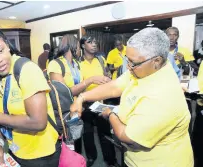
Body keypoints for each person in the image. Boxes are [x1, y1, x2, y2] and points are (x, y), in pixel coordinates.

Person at [71, 27, 194, 167]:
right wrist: (82, 97)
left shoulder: (163, 95)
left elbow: (127, 136)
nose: (128, 67)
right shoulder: (144, 69)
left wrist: (110, 114)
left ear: (157, 61)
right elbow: (115, 86)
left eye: (133, 63)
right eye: (127, 60)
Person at [0, 25, 60, 167]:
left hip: (40, 155)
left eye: (0, 50)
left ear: (7, 45)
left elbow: (38, 122)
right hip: (15, 150)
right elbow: (8, 115)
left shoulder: (26, 70)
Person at [47, 34, 110, 153]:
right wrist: (90, 80)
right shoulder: (56, 64)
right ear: (72, 45)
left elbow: (80, 86)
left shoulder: (75, 64)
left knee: (77, 145)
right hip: (65, 114)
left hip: (77, 111)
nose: (78, 49)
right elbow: (64, 93)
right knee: (67, 147)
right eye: (77, 45)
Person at [79, 35, 115, 167]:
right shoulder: (77, 63)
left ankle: (110, 160)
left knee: (104, 132)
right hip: (85, 102)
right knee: (87, 133)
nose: (94, 44)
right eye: (90, 42)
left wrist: (108, 77)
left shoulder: (101, 60)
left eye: (95, 42)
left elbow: (106, 75)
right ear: (83, 46)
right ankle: (91, 157)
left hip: (100, 101)